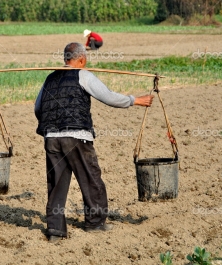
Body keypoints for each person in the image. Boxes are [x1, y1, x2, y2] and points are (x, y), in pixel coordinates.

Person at [34, 42, 154, 243]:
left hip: (52, 138)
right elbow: (108, 97)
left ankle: (55, 231)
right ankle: (95, 222)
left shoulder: (49, 78)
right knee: (91, 179)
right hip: (77, 136)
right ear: (81, 59)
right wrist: (135, 100)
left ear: (65, 59)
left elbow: (38, 109)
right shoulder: (83, 75)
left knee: (56, 185)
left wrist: (52, 126)